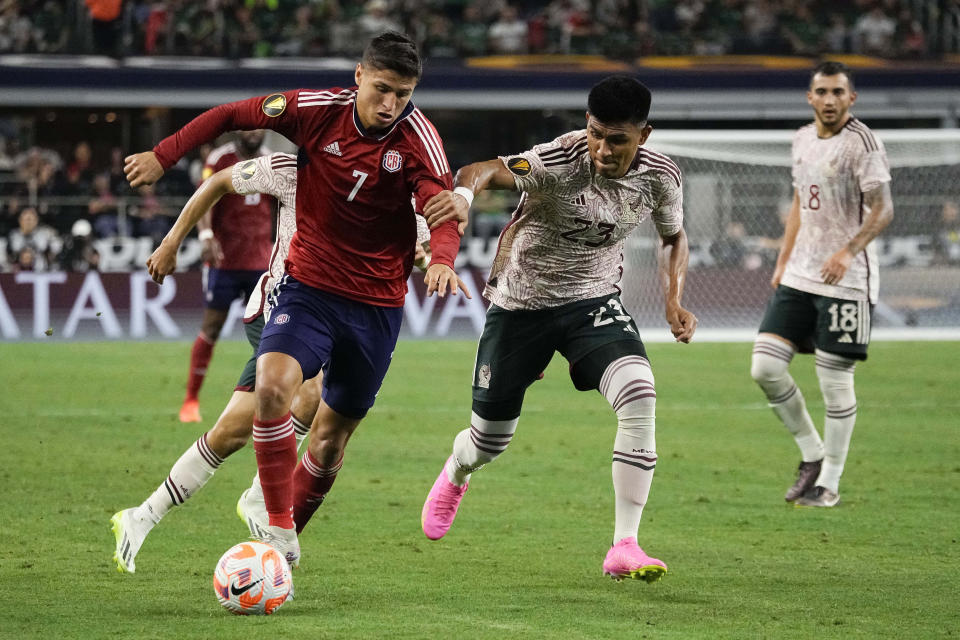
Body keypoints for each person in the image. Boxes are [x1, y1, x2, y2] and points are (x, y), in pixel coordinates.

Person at [124, 31, 466, 568]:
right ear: (358, 75)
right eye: (381, 89)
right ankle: (277, 528)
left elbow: (440, 207)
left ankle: (257, 510)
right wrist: (164, 156)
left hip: (376, 307)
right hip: (303, 289)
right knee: (275, 390)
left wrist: (442, 257)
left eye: (403, 94)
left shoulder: (418, 139)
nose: (391, 104)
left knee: (328, 441)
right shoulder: (311, 115)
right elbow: (230, 114)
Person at [419, 75, 697, 582]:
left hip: (592, 302)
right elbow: (481, 170)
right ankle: (456, 471)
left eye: (617, 139)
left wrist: (673, 300)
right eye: (595, 133)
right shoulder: (560, 160)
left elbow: (673, 237)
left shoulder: (661, 177)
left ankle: (625, 545)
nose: (602, 149)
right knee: (488, 442)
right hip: (520, 305)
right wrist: (462, 194)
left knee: (639, 392)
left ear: (644, 136)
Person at [750, 61, 894, 508]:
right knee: (765, 369)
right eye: (822, 92)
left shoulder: (864, 144)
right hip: (799, 275)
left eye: (838, 92)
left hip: (847, 280)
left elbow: (883, 210)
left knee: (834, 381)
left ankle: (828, 483)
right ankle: (812, 454)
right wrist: (783, 258)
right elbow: (799, 202)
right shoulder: (801, 139)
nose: (829, 100)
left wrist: (847, 252)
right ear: (809, 98)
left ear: (851, 99)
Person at [179, 130, 273, 424]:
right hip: (225, 261)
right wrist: (206, 234)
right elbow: (204, 196)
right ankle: (191, 400)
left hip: (261, 261)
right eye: (249, 127)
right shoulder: (220, 159)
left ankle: (271, 401)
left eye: (259, 128)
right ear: (238, 131)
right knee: (212, 327)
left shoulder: (270, 160)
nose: (254, 133)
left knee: (271, 333)